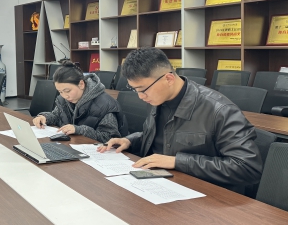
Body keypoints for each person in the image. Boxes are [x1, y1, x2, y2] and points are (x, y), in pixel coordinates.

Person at [98, 48, 262, 192]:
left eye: (143, 90)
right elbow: (165, 136)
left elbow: (247, 168)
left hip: (204, 195)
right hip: (161, 184)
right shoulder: (158, 99)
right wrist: (130, 141)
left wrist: (177, 162)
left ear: (168, 79)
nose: (140, 97)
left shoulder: (220, 110)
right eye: (135, 90)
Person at [33, 61, 128, 143]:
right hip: (75, 145)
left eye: (67, 91)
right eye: (60, 92)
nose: (64, 96)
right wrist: (45, 117)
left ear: (81, 84)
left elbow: (109, 137)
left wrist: (79, 130)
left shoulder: (106, 105)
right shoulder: (64, 99)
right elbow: (57, 116)